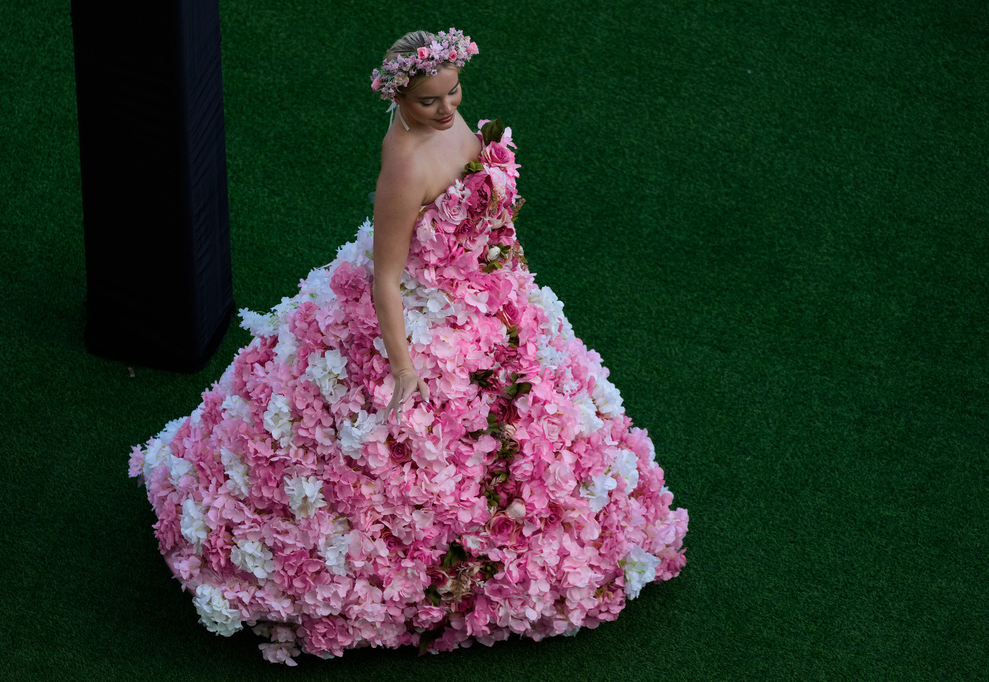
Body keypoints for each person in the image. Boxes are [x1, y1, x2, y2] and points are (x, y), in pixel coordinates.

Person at [129, 29, 688, 664]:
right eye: (429, 101)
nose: (447, 108)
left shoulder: (450, 125)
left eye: (453, 92)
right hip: (427, 314)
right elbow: (385, 278)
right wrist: (403, 364)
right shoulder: (404, 164)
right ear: (398, 98)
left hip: (490, 290)